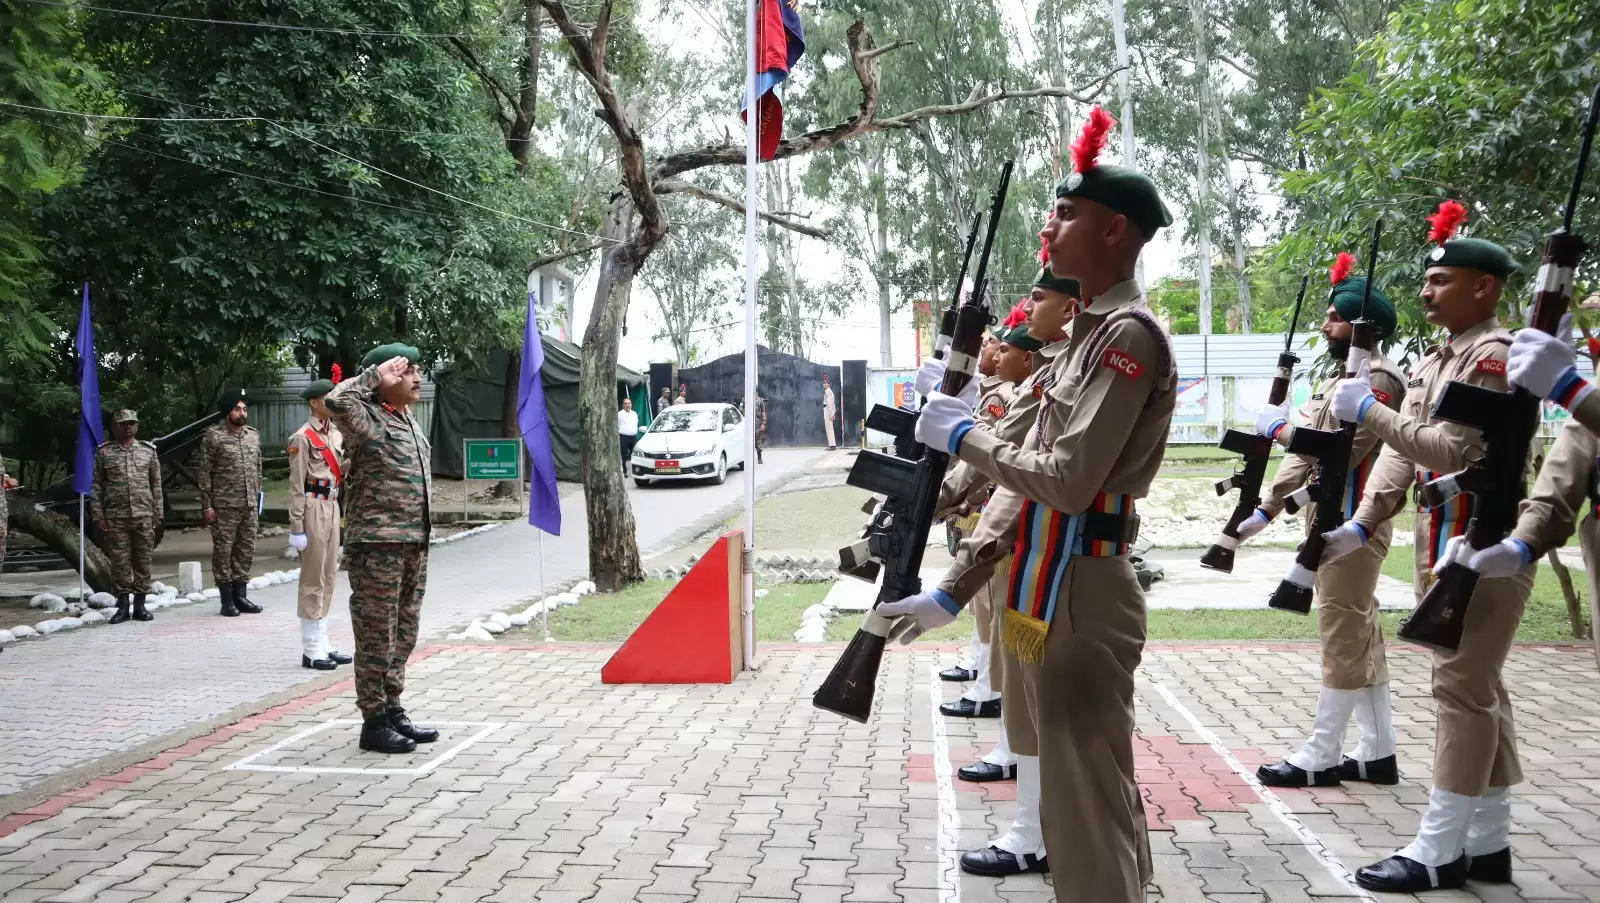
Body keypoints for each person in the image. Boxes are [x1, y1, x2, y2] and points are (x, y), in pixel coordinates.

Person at [881, 106, 1175, 902]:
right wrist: (955, 586)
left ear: (1115, 230)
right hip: (1045, 581)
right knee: (1082, 794)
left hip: (1083, 585)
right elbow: (1021, 488)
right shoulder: (1084, 337)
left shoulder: (1126, 338)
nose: (1049, 227)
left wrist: (970, 435)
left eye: (1066, 212)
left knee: (1085, 805)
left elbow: (1068, 478)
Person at [1325, 201, 1530, 893]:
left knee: (1461, 692)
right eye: (1427, 279)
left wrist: (1370, 412)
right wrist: (1363, 519)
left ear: (1485, 287)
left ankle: (1439, 848)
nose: (1426, 289)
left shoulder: (1494, 357)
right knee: (1477, 688)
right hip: (1441, 539)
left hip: (1482, 542)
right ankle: (1489, 842)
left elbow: (1451, 447)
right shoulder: (1441, 359)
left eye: (1443, 280)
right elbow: (1400, 455)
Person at [1234, 255, 1406, 789]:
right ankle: (1378, 753)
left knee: (1341, 634)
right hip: (1325, 522)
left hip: (1354, 527)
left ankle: (1323, 752)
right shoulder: (1339, 380)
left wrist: (1281, 429)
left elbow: (1344, 451)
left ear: (1362, 328)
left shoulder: (1379, 380)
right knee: (1361, 634)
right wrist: (1265, 508)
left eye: (1334, 317)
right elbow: (1301, 459)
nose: (1324, 325)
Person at [934, 267, 1081, 879]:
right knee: (1026, 696)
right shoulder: (1055, 372)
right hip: (1027, 553)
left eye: (1040, 297)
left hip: (1052, 555)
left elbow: (1030, 474)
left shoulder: (1082, 367)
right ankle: (1031, 828)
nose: (999, 346)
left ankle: (1042, 831)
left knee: (1050, 704)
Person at [325, 343, 438, 754]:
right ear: (387, 376)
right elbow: (335, 399)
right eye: (408, 371)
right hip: (378, 545)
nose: (416, 378)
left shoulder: (407, 418)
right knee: (376, 634)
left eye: (417, 370)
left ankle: (392, 708)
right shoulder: (366, 417)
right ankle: (372, 721)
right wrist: (374, 377)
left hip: (412, 542)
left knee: (404, 632)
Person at [928, 312, 1020, 722]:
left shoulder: (1002, 398)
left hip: (995, 511)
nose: (994, 351)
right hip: (985, 508)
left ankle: (987, 688)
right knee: (982, 605)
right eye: (990, 344)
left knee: (994, 608)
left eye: (1003, 345)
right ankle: (981, 672)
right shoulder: (991, 392)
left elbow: (985, 454)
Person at [289, 379, 351, 671]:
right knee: (313, 578)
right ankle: (311, 648)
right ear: (314, 402)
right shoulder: (302, 438)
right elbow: (296, 486)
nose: (333, 402)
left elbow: (339, 472)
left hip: (332, 505)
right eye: (328, 398)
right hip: (313, 507)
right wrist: (297, 527)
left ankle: (323, 641)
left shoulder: (335, 433)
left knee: (328, 576)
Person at [91, 410, 164, 624]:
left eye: (132, 423)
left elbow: (156, 485)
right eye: (123, 424)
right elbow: (96, 487)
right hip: (116, 517)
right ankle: (122, 606)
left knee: (143, 561)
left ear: (137, 426)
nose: (128, 427)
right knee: (120, 563)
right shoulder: (104, 453)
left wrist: (158, 513)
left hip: (143, 515)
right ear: (115, 427)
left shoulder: (148, 452)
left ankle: (140, 606)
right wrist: (98, 515)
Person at [198, 389, 263, 617]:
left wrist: (258, 498)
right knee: (224, 552)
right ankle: (227, 600)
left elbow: (258, 469)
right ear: (227, 412)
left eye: (244, 409)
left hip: (249, 505)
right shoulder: (214, 436)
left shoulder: (253, 435)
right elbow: (205, 473)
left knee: (246, 551)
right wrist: (207, 505)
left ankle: (240, 595)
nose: (242, 413)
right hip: (224, 506)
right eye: (237, 409)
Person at [617, 397, 640, 474]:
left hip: (633, 437)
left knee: (636, 454)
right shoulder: (619, 414)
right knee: (623, 455)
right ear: (623, 405)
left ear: (631, 404)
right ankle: (624, 471)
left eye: (629, 403)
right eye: (625, 403)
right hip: (623, 437)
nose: (627, 405)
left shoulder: (634, 414)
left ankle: (637, 470)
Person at [822, 376, 838, 449]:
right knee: (829, 427)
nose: (824, 384)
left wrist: (831, 413)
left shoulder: (828, 391)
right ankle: (831, 444)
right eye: (824, 383)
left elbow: (830, 404)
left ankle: (832, 445)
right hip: (827, 410)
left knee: (829, 428)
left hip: (828, 410)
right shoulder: (828, 391)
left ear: (829, 384)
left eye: (826, 383)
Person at [754, 392, 768, 464]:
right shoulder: (745, 399)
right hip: (746, 425)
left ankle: (759, 457)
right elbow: (741, 410)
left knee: (758, 441)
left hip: (757, 424)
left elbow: (763, 412)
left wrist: (763, 423)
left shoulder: (759, 400)